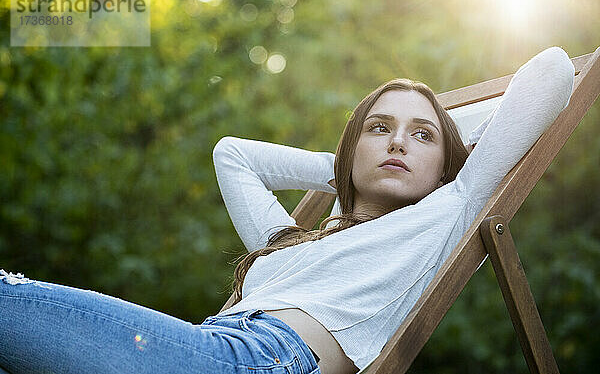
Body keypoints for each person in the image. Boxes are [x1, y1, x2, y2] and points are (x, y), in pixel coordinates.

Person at [0, 47, 574, 374]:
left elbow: (553, 70)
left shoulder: (450, 210)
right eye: (380, 129)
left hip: (256, 363)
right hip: (210, 347)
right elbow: (233, 155)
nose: (399, 142)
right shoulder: (290, 242)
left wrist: (439, 158)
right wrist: (348, 170)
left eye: (421, 136)